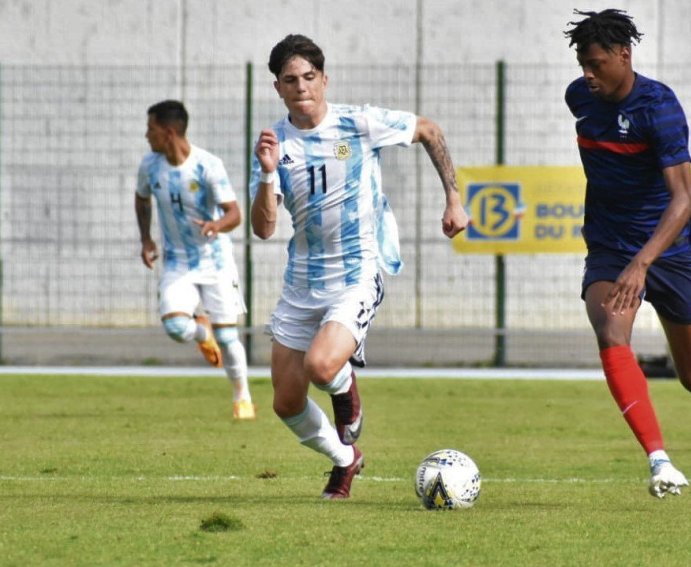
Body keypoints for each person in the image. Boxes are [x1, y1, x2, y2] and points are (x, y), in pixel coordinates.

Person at [251, 34, 468, 499]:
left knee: (322, 365)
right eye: (290, 80)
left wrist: (453, 198)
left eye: (309, 77)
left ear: (324, 79)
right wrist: (268, 172)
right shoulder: (274, 144)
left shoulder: (358, 123)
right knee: (286, 402)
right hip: (302, 281)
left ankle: (347, 397)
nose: (301, 87)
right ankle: (345, 459)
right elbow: (265, 228)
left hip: (356, 270)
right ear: (278, 88)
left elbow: (429, 130)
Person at [563, 9, 691, 499]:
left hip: (670, 248)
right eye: (581, 64)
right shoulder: (579, 99)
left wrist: (644, 262)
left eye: (595, 64)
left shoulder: (660, 108)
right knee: (610, 328)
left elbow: (683, 200)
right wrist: (625, 259)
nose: (586, 75)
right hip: (611, 244)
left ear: (623, 55)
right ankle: (660, 461)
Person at [135, 99, 255, 420]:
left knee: (229, 337)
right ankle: (202, 332)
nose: (147, 135)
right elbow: (142, 198)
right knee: (175, 326)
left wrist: (217, 225)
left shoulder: (207, 166)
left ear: (169, 132)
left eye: (151, 129)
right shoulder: (150, 166)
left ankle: (242, 397)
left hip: (214, 262)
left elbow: (234, 214)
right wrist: (146, 238)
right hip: (177, 262)